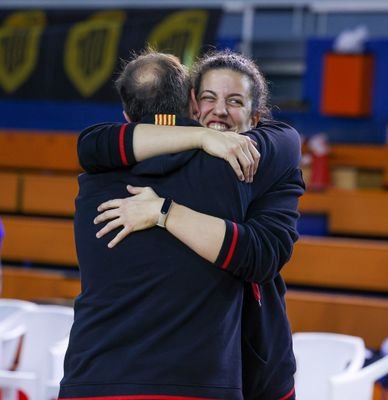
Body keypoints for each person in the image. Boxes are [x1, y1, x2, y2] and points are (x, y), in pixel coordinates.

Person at [76, 49, 305, 400]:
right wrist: (199, 137)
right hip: (204, 369)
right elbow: (92, 143)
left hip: (257, 365)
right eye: (210, 98)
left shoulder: (272, 152)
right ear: (193, 106)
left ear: (256, 117)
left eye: (235, 101)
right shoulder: (130, 154)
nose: (219, 111)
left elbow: (261, 257)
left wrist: (164, 212)